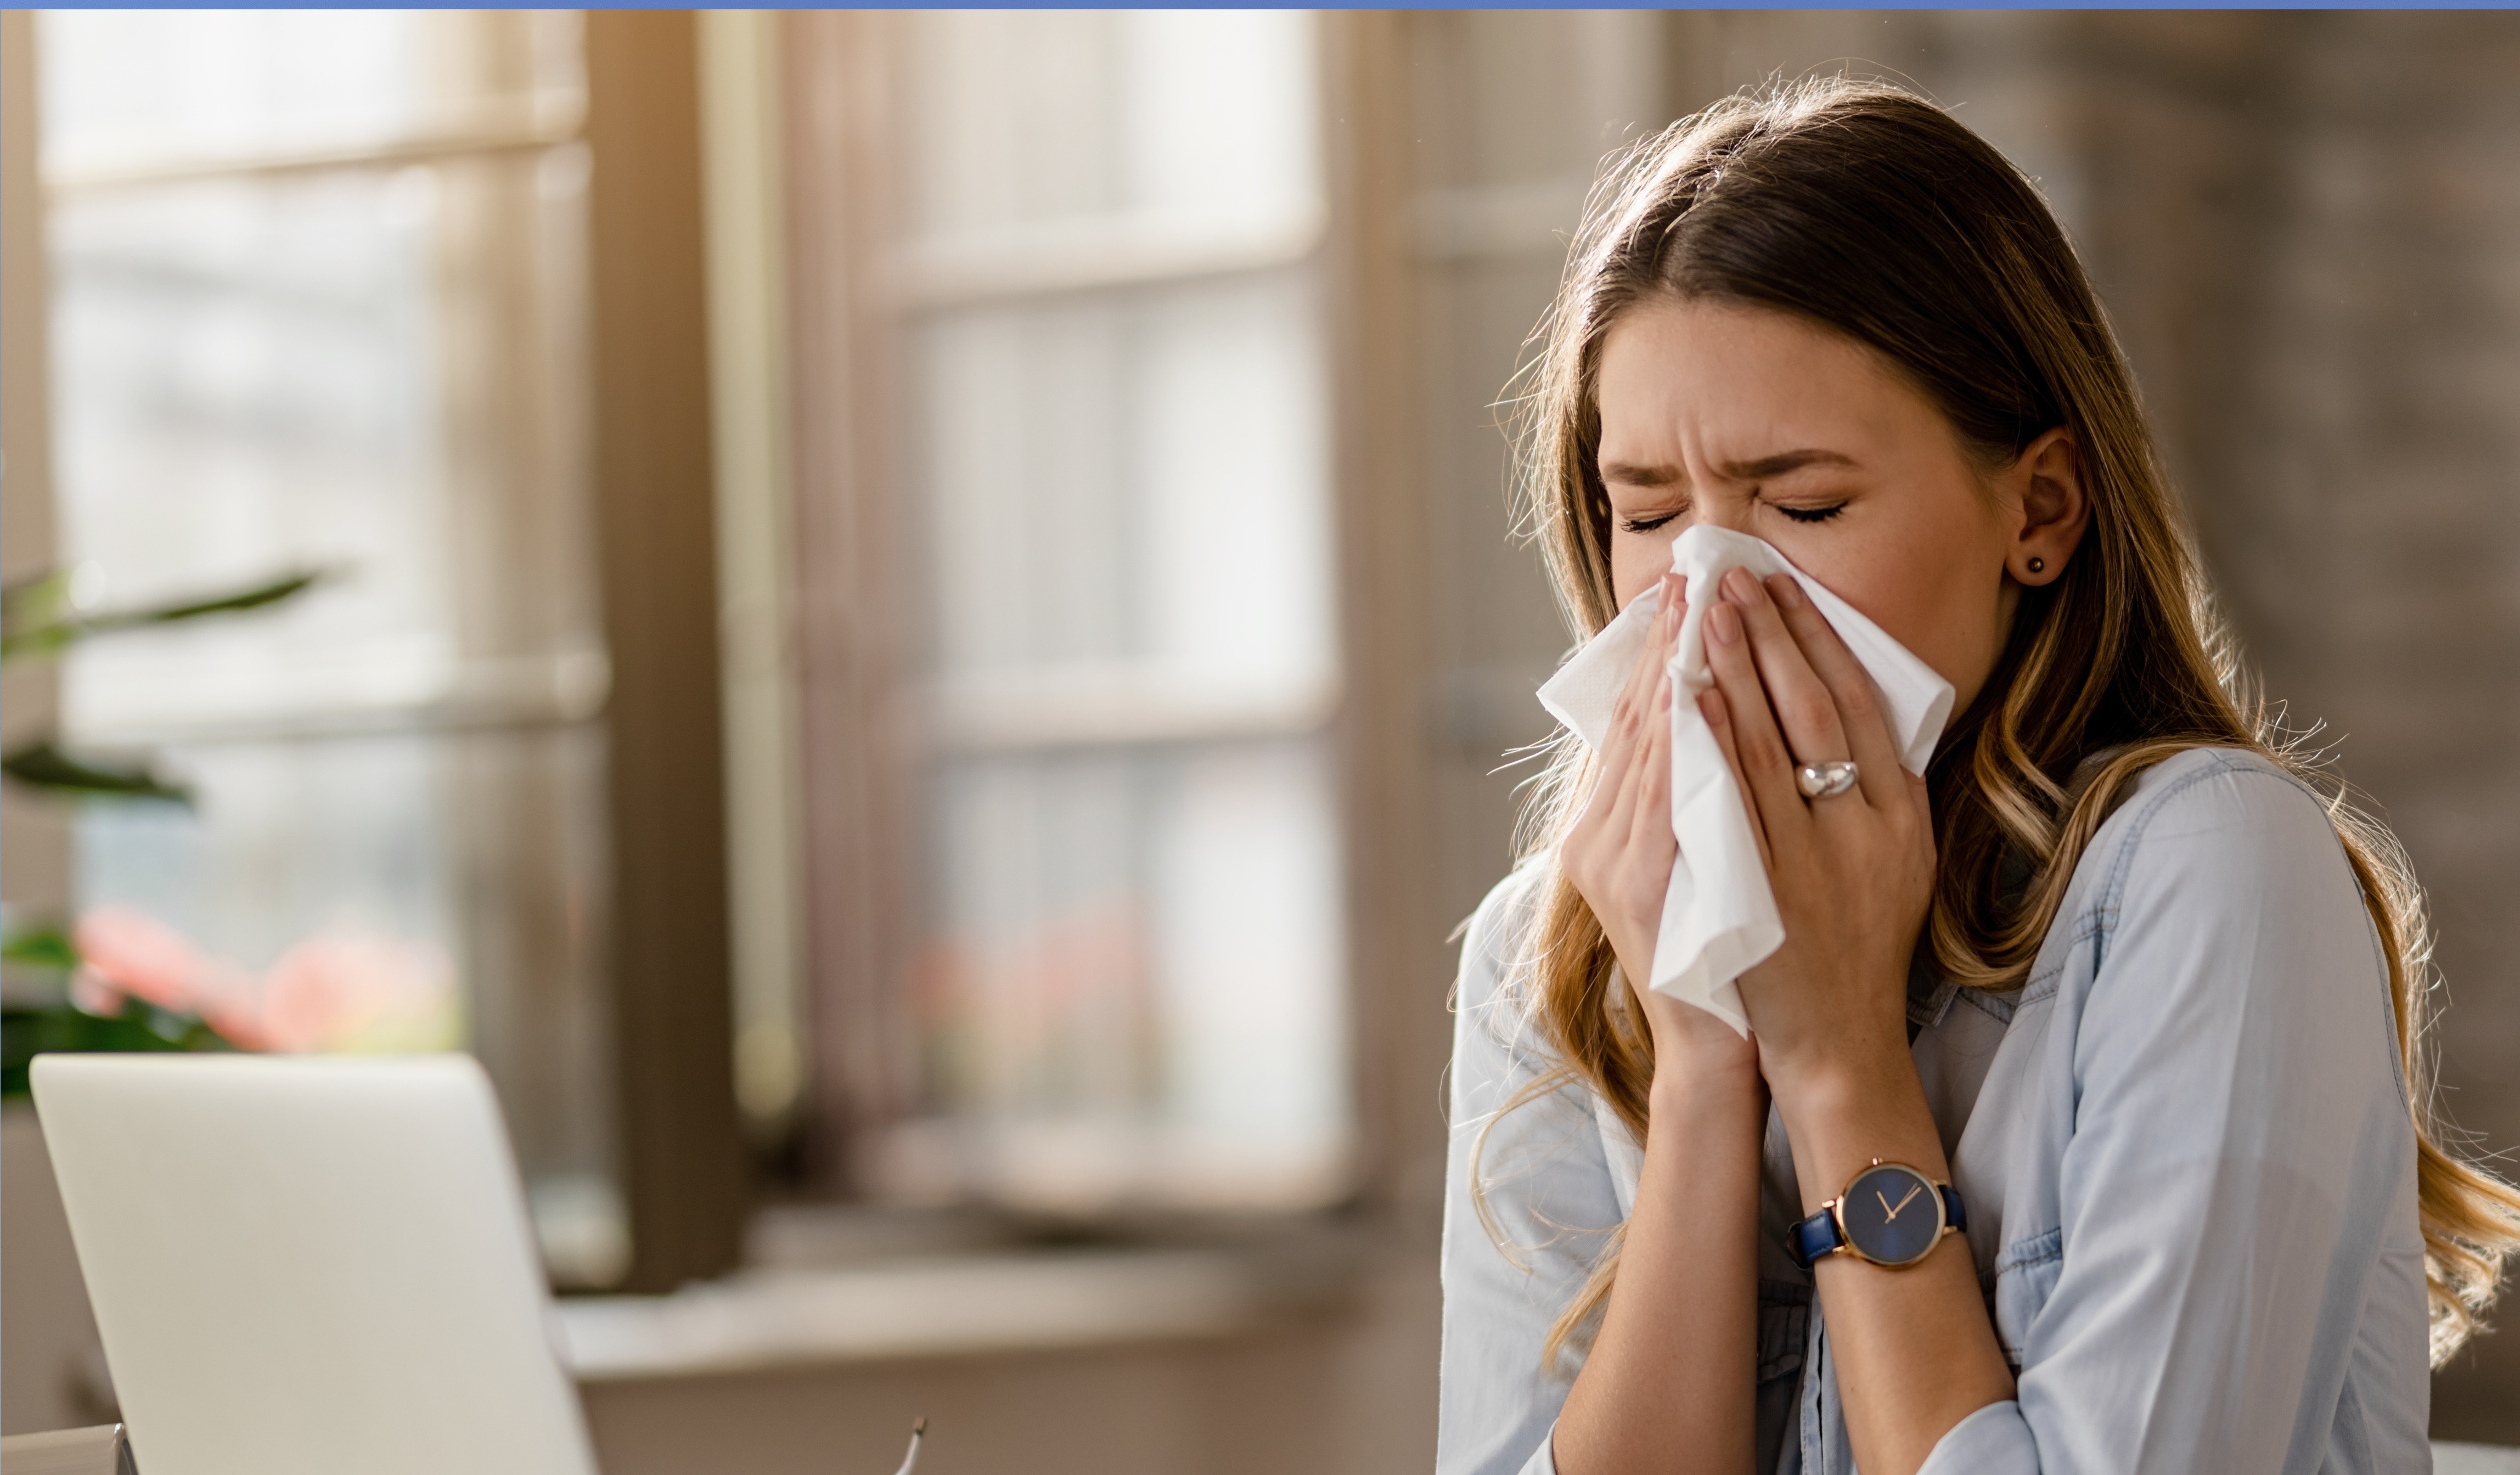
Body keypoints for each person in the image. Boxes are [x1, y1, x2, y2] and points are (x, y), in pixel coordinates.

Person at [1437, 77, 2520, 1475]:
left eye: (1804, 505)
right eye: (1646, 511)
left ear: (2040, 510)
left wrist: (1837, 1065)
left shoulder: (2205, 876)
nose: (1708, 593)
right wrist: (1705, 1057)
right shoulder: (1560, 952)